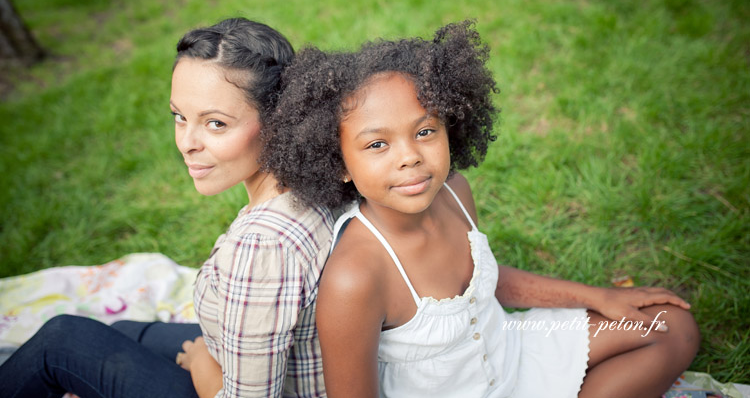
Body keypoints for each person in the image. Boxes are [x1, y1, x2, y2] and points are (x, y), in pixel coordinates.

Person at [262, 21, 701, 398]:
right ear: (339, 164)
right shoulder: (354, 277)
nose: (410, 157)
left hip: (513, 352)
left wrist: (599, 297)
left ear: (450, 126)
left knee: (671, 326)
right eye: (378, 144)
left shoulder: (455, 192)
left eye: (425, 131)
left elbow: (486, 279)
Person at [0, 18, 334, 398]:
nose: (187, 142)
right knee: (123, 331)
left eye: (215, 123)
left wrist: (202, 365)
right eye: (179, 116)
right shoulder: (316, 182)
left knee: (61, 343)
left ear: (279, 121)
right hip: (252, 356)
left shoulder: (263, 246)